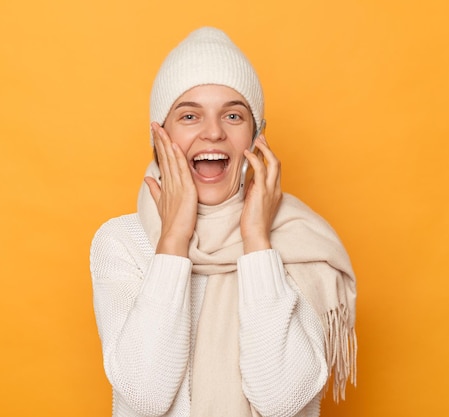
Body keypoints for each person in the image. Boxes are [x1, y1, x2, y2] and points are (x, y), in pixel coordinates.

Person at [90, 27, 357, 417]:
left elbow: (281, 400)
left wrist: (257, 241)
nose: (213, 132)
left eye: (233, 115)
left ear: (256, 136)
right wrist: (173, 241)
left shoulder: (301, 243)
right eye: (189, 115)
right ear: (159, 136)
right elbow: (146, 397)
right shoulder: (123, 242)